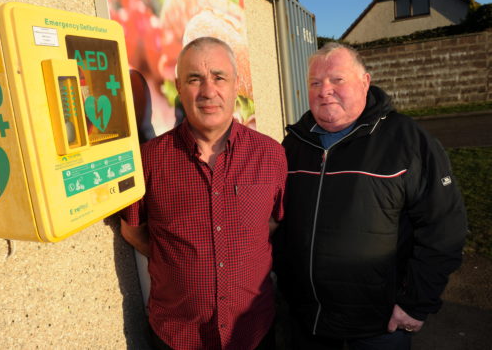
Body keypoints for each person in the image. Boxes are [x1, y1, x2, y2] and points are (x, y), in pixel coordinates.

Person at [273, 42, 467, 350]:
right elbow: (279, 224)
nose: (324, 91)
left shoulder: (406, 140)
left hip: (378, 328)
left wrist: (416, 302)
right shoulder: (294, 144)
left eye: (337, 80)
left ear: (365, 82)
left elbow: (444, 226)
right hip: (307, 323)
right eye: (315, 83)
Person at [120, 37, 287, 350]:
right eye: (195, 79)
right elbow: (133, 232)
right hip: (177, 336)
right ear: (179, 87)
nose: (209, 91)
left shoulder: (271, 155)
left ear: (236, 84)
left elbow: (271, 224)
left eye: (219, 77)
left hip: (253, 332)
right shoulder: (148, 159)